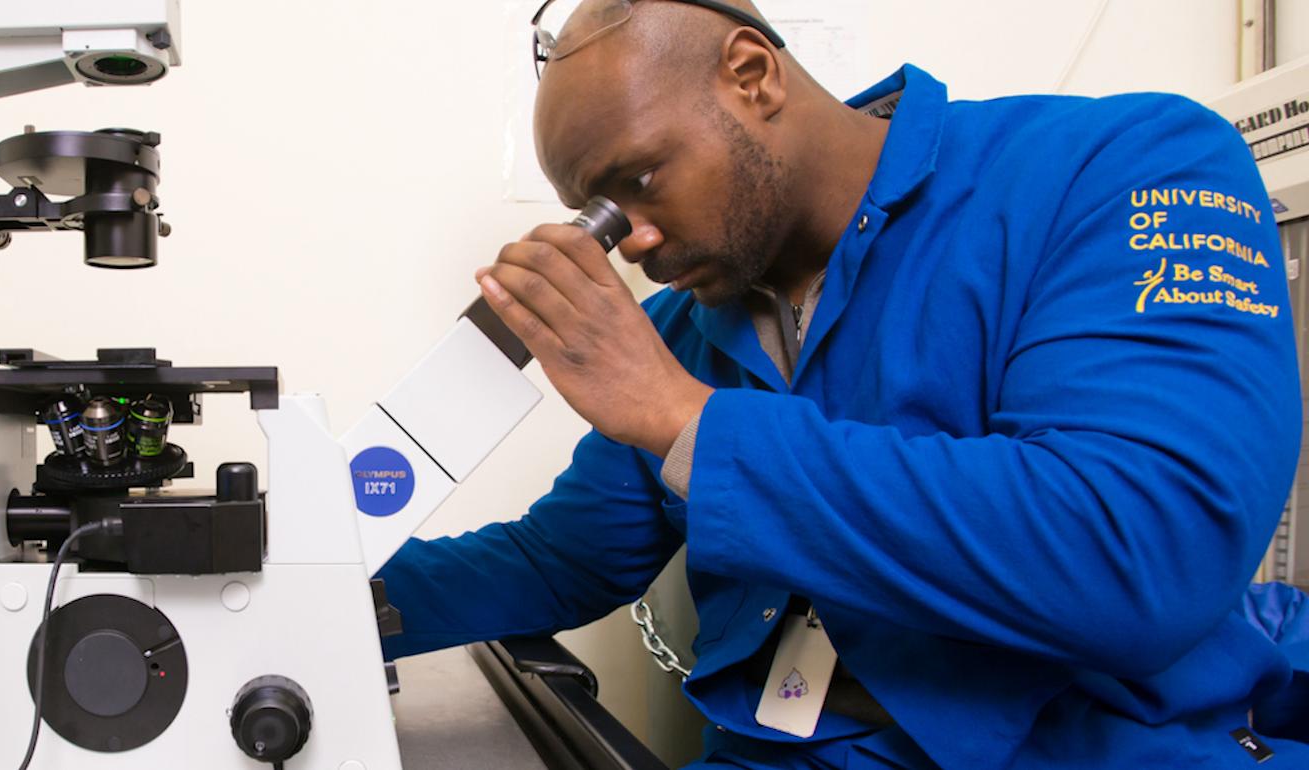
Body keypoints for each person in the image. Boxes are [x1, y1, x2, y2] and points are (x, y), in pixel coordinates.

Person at [374, 0, 1305, 767]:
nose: (637, 243)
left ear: (753, 75)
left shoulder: (1124, 165)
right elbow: (559, 560)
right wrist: (319, 585)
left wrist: (684, 418)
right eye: (605, 214)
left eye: (643, 179)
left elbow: (1136, 552)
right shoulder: (690, 328)